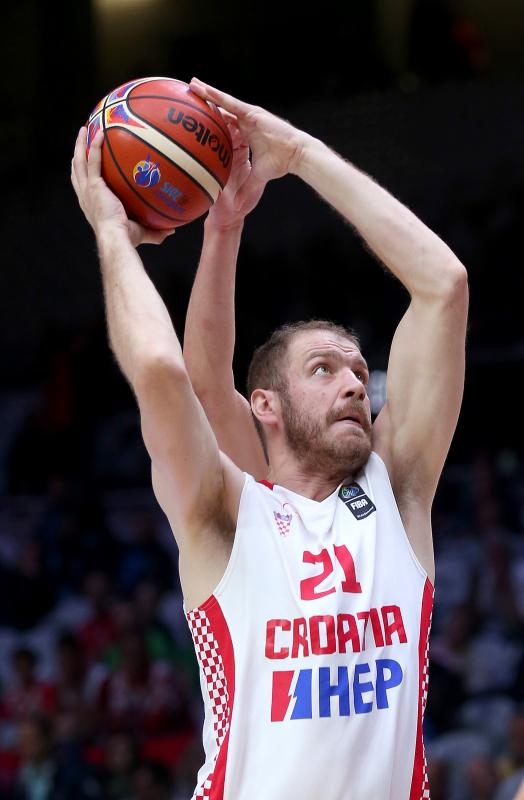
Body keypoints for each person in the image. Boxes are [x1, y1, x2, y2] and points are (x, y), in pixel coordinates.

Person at [71, 76, 468, 799]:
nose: (355, 383)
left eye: (358, 370)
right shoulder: (227, 514)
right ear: (266, 406)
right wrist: (112, 231)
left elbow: (443, 283)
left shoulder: (398, 492)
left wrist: (304, 154)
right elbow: (175, 371)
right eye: (325, 369)